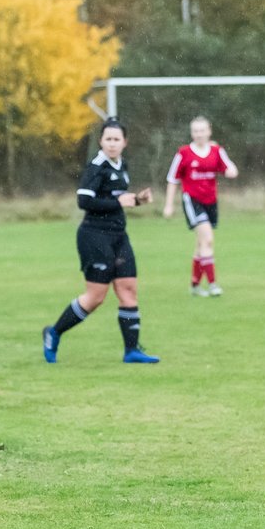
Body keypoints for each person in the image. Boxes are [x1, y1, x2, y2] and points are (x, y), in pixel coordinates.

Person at [42, 119, 160, 365]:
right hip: (94, 237)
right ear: (101, 141)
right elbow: (84, 201)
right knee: (96, 297)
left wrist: (137, 201)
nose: (112, 143)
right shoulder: (96, 167)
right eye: (108, 139)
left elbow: (117, 199)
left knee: (128, 290)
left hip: (119, 235)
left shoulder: (122, 165)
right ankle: (53, 333)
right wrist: (120, 203)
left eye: (117, 139)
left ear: (124, 143)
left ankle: (131, 351)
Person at [163, 116, 238, 297]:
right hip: (192, 200)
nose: (199, 134)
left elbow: (231, 170)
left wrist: (229, 171)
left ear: (209, 131)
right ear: (191, 133)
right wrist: (168, 205)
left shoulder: (216, 151)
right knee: (208, 239)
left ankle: (195, 286)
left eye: (202, 130)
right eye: (195, 131)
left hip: (210, 201)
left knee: (201, 244)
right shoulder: (183, 153)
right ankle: (213, 285)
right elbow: (172, 180)